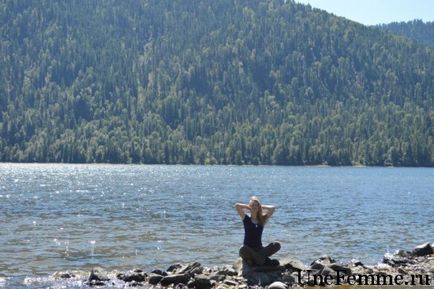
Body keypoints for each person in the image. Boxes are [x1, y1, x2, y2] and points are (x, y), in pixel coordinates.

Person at [235, 196, 281, 266]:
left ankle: (256, 259)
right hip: (248, 249)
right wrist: (249, 207)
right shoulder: (246, 219)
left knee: (277, 244)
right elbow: (237, 206)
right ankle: (260, 259)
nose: (255, 206)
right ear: (250, 206)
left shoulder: (262, 220)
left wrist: (260, 206)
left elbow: (272, 208)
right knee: (242, 249)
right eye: (253, 205)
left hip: (260, 249)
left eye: (256, 205)